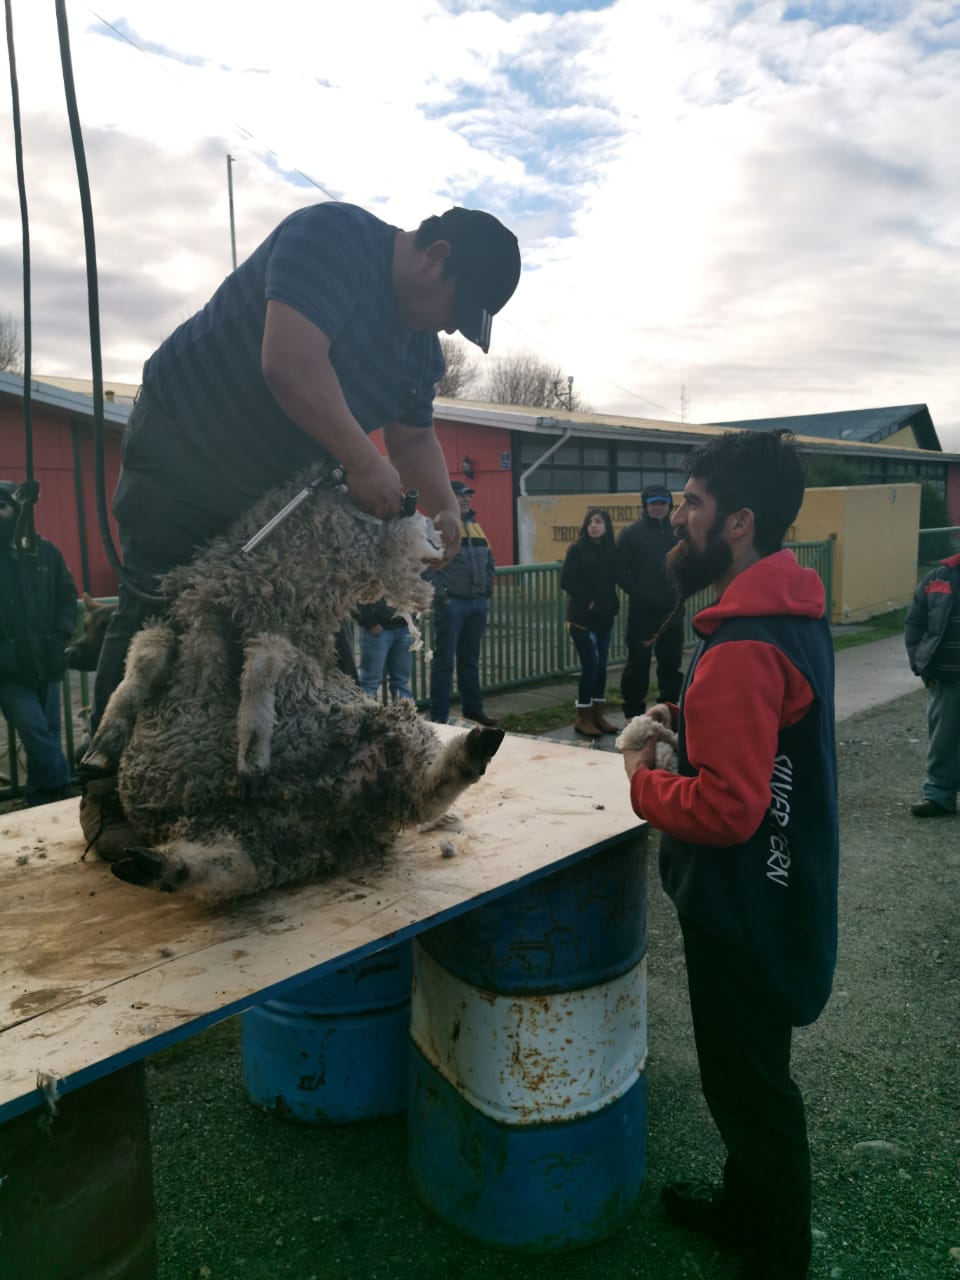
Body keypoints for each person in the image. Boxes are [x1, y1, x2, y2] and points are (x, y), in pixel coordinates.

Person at [82, 202, 521, 856]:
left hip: (268, 491)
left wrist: (446, 506)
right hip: (183, 449)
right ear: (437, 256)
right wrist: (360, 459)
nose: (454, 326)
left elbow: (415, 435)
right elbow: (291, 362)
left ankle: (323, 783)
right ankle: (105, 794)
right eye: (460, 307)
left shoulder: (417, 355)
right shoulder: (332, 239)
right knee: (158, 606)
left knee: (309, 625)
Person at [621, 430, 838, 1280]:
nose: (678, 517)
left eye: (695, 504)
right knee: (750, 1082)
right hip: (778, 899)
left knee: (751, 1094)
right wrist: (694, 721)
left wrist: (642, 780)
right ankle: (745, 1212)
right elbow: (766, 742)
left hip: (747, 914)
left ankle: (775, 1254)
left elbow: (728, 808)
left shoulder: (746, 641)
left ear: (740, 521)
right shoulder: (780, 615)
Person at [0, 481, 78, 806]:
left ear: (19, 510)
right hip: (9, 670)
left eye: (2, 506)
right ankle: (67, 788)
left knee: (46, 732)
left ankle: (39, 799)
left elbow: (67, 596)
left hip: (47, 661)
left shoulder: (46, 552)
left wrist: (59, 637)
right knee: (35, 731)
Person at [427, 480, 497, 726]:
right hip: (452, 603)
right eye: (460, 495)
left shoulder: (476, 527)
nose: (466, 499)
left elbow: (489, 561)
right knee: (444, 660)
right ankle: (439, 716)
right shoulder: (439, 526)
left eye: (468, 495)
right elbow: (427, 565)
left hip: (476, 602)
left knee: (470, 659)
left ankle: (473, 708)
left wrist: (486, 591)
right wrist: (442, 595)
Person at [615, 484, 685, 718]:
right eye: (653, 503)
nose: (658, 507)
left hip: (673, 609)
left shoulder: (680, 533)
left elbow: (691, 564)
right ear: (645, 505)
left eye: (662, 503)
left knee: (671, 664)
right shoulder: (631, 534)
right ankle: (633, 714)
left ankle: (668, 712)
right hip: (642, 611)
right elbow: (618, 571)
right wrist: (638, 592)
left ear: (669, 505)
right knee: (638, 663)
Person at [904, 550, 960, 817]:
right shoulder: (938, 578)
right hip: (946, 678)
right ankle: (939, 795)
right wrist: (920, 663)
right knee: (942, 740)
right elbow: (915, 623)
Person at [560, 507, 620, 737]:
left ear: (606, 526)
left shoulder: (610, 551)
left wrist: (611, 604)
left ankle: (598, 715)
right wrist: (588, 602)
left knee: (602, 668)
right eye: (590, 522)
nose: (593, 525)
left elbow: (614, 580)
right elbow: (566, 581)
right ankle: (582, 716)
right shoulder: (577, 549)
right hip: (581, 619)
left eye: (598, 522)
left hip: (604, 619)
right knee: (591, 666)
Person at [356, 599, 415, 702]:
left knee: (401, 682)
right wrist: (369, 622)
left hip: (404, 627)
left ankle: (405, 716)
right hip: (377, 630)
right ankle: (367, 716)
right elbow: (355, 594)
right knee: (370, 682)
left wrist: (413, 617)